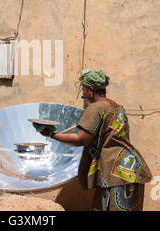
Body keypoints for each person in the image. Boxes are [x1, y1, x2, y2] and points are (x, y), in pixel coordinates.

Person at [40, 69, 152, 211]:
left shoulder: (96, 107)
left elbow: (81, 139)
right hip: (130, 169)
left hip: (115, 174)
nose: (83, 94)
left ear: (91, 90)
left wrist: (51, 134)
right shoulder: (117, 107)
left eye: (84, 89)